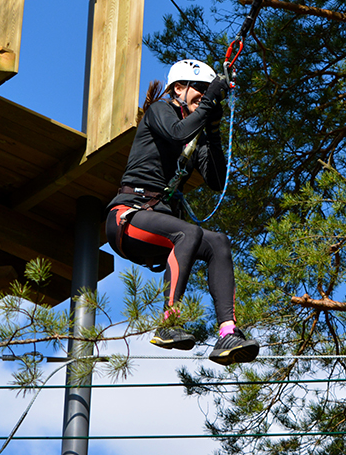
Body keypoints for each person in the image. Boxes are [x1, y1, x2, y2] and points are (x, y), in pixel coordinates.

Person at [105, 59, 259, 366]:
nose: (204, 96)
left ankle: (227, 332)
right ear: (179, 88)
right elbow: (176, 133)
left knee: (218, 242)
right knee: (187, 231)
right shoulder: (160, 111)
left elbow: (215, 179)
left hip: (156, 226)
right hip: (128, 217)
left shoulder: (195, 133)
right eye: (199, 89)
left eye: (207, 91)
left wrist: (213, 129)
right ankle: (169, 323)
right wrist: (211, 101)